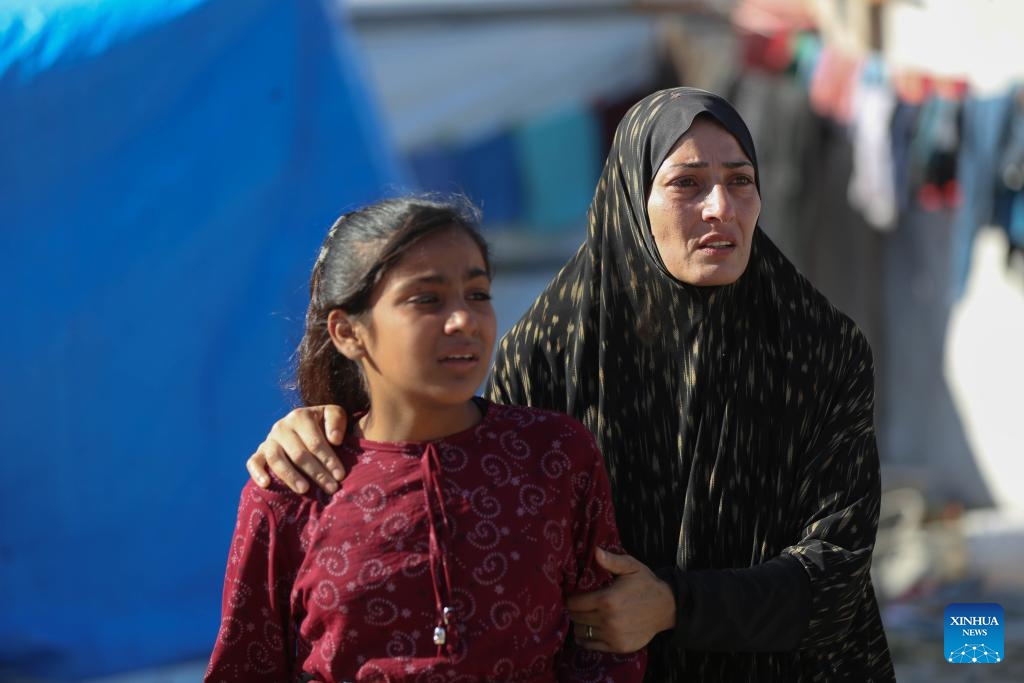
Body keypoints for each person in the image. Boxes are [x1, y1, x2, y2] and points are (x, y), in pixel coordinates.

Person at [247, 88, 896, 681]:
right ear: (630, 199)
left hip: (801, 668)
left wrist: (673, 602)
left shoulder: (818, 348)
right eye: (688, 183)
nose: (720, 207)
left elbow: (836, 569)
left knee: (967, 636)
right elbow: (466, 476)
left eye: (740, 181)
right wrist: (331, 422)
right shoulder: (554, 348)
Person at [206, 197, 646, 681]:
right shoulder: (290, 489)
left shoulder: (556, 456)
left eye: (478, 294)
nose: (464, 321)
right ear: (348, 332)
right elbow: (244, 668)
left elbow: (606, 647)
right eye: (427, 299)